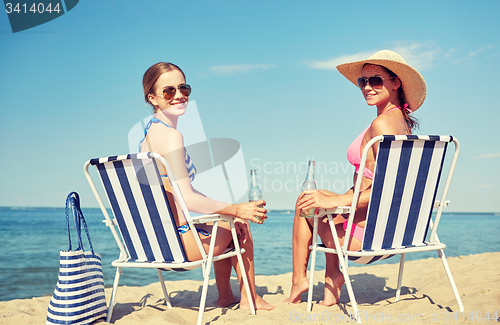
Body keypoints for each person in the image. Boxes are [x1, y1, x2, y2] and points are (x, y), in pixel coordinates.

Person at [285, 50, 427, 306]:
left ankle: (300, 280)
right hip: (393, 231)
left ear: (396, 83)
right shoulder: (401, 123)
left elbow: (389, 191)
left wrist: (337, 199)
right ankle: (332, 280)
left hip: (367, 238)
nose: (367, 87)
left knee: (305, 204)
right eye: (364, 81)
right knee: (317, 200)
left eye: (376, 80)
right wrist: (336, 199)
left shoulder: (382, 126)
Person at [140, 62, 274, 311]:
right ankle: (249, 298)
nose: (179, 95)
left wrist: (228, 209)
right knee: (239, 223)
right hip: (180, 247)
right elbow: (188, 199)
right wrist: (236, 210)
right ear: (153, 98)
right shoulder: (171, 136)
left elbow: (178, 194)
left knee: (225, 218)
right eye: (169, 91)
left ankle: (225, 296)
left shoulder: (148, 137)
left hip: (154, 244)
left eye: (184, 88)